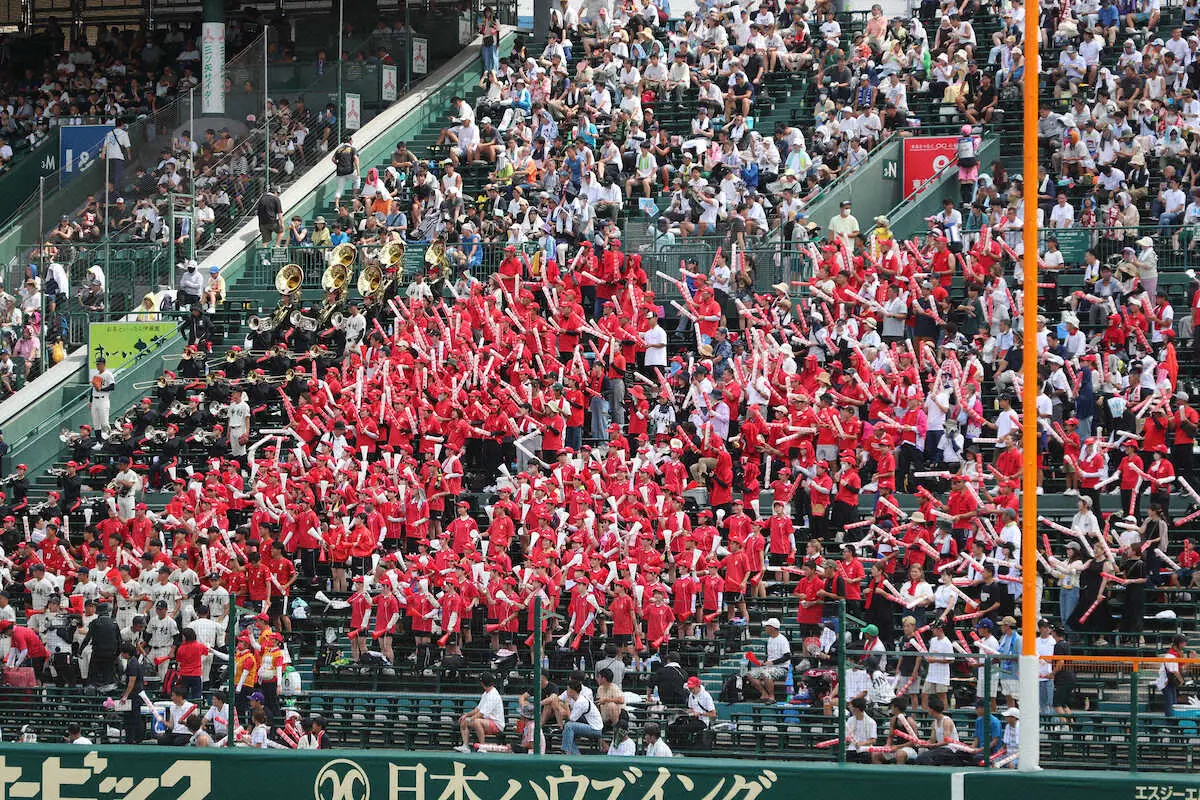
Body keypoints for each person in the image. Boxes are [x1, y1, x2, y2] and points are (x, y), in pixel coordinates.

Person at [455, 671, 506, 752]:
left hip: (496, 724)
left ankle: (482, 747)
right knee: (464, 720)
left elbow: (482, 714)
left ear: (482, 683)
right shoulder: (486, 694)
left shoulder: (493, 695)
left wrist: (471, 719)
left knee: (477, 721)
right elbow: (478, 709)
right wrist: (466, 715)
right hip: (486, 721)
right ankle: (465, 746)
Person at [745, 617, 791, 703]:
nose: (765, 628)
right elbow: (770, 656)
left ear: (772, 628)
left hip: (782, 667)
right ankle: (764, 694)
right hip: (770, 666)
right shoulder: (770, 639)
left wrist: (772, 662)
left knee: (766, 674)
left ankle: (772, 697)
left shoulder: (783, 640)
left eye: (767, 627)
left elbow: (787, 656)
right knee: (750, 674)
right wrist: (764, 662)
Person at [561, 679, 604, 755]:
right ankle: (576, 755)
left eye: (568, 689)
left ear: (572, 691)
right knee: (567, 733)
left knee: (569, 726)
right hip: (591, 725)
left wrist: (566, 705)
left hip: (595, 729)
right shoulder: (579, 699)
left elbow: (571, 719)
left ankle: (567, 753)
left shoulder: (581, 702)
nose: (566, 691)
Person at [89, 355, 115, 436]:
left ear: (103, 364)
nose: (97, 366)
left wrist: (101, 389)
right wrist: (90, 401)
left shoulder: (108, 374)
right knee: (96, 423)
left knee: (104, 422)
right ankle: (99, 441)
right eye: (97, 364)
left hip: (103, 399)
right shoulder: (96, 375)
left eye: (99, 364)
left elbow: (112, 387)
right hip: (95, 400)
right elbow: (93, 389)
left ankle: (108, 439)